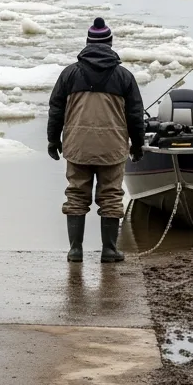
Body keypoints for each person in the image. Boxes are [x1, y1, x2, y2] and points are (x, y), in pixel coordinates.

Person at [48, 17, 145, 263]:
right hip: (112, 148)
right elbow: (135, 115)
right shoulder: (124, 76)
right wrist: (138, 144)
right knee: (111, 196)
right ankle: (109, 250)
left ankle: (75, 251)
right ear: (110, 43)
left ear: (88, 42)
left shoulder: (69, 74)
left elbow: (56, 109)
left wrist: (53, 140)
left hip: (77, 147)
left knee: (76, 195)